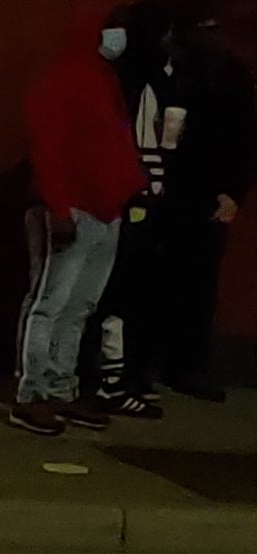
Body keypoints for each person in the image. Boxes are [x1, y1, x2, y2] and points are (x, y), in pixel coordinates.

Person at [12, 2, 146, 436]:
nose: (119, 37)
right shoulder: (62, 80)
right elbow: (47, 147)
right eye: (113, 28)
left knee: (78, 308)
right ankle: (31, 394)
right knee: (49, 303)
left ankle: (61, 389)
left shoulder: (103, 79)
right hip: (72, 210)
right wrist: (59, 208)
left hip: (105, 209)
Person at [88, 0, 178, 418]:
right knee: (119, 292)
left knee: (116, 290)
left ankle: (108, 376)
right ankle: (111, 380)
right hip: (134, 197)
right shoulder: (142, 82)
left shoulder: (122, 78)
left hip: (130, 196)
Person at [159, 0, 252, 401]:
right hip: (196, 190)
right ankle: (182, 365)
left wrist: (233, 192)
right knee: (191, 282)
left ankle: (176, 363)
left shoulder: (202, 73)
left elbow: (247, 141)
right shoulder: (221, 72)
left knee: (189, 281)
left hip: (190, 189)